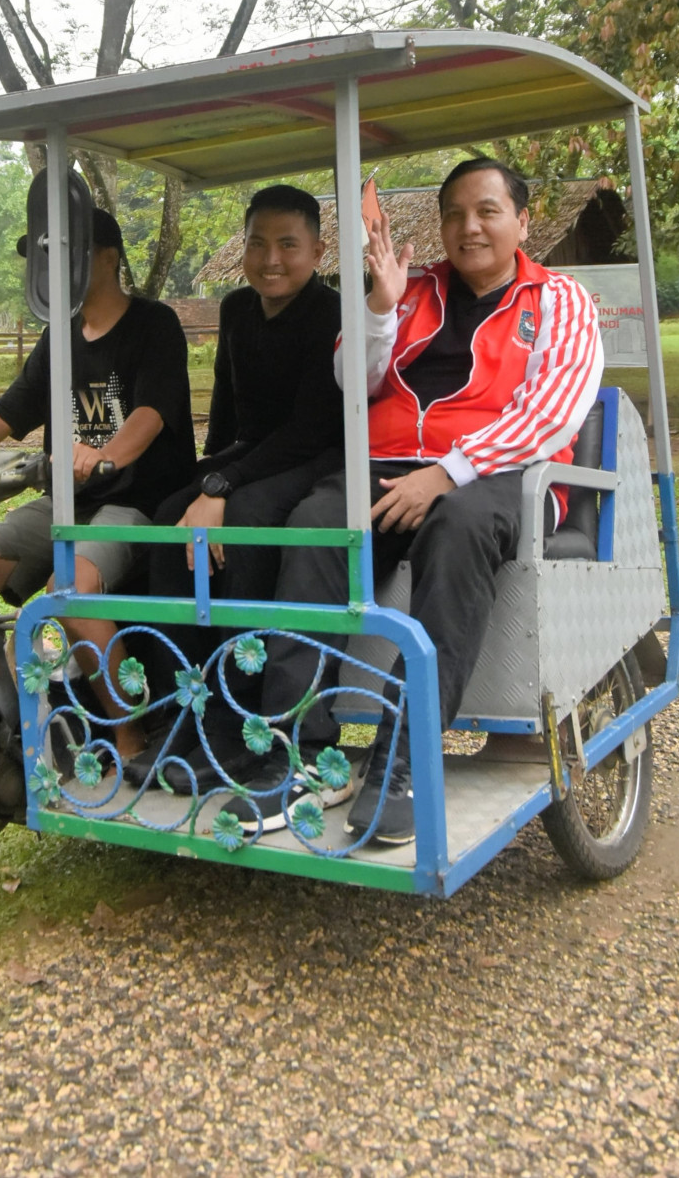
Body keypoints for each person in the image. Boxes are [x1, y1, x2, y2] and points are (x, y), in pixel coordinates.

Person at [225, 157, 603, 847]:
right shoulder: (414, 287)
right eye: (454, 213)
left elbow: (549, 415)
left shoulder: (559, 300)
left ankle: (406, 754)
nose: (469, 227)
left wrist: (448, 473)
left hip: (503, 477)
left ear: (523, 220)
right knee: (317, 524)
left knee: (457, 525)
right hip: (386, 469)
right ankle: (300, 752)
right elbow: (353, 379)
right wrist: (378, 304)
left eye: (487, 210)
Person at [127, 184, 344, 791]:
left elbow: (309, 429)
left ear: (318, 250)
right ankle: (181, 708)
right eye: (258, 244)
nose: (271, 259)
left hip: (316, 454)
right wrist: (206, 475)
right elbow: (227, 409)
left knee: (241, 523)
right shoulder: (236, 309)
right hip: (253, 455)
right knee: (173, 518)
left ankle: (237, 718)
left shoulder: (330, 313)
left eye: (288, 245)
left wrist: (222, 484)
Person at [0, 208, 196, 761]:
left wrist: (105, 456)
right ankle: (15, 708)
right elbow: (10, 411)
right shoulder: (58, 336)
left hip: (136, 500)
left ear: (108, 259)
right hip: (64, 499)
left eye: (67, 253)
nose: (54, 266)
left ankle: (128, 733)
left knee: (67, 591)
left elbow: (151, 413)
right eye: (49, 256)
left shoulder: (153, 324)